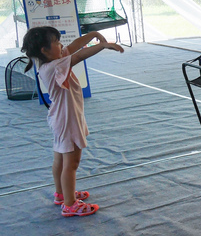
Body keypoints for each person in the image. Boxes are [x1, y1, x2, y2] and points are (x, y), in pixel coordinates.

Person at [21, 27, 124, 217]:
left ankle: (62, 194)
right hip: (67, 120)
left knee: (60, 159)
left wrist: (93, 34)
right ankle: (69, 204)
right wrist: (103, 45)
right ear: (44, 50)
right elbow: (79, 56)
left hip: (61, 118)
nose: (61, 45)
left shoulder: (52, 61)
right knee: (72, 163)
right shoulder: (54, 67)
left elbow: (74, 47)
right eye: (57, 42)